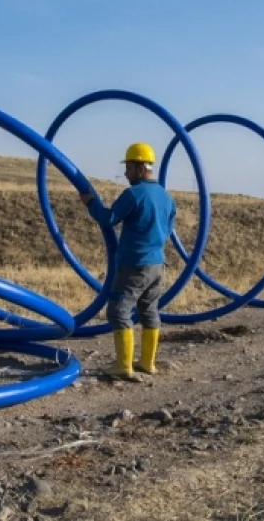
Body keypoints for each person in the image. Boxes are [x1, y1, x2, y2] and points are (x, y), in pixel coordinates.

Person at [80, 142, 176, 380]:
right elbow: (168, 229)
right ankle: (147, 363)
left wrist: (90, 202)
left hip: (135, 264)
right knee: (149, 310)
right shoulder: (166, 196)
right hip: (157, 265)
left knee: (119, 311)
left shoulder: (134, 194)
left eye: (130, 167)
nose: (126, 173)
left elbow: (108, 218)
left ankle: (123, 365)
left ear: (141, 167)